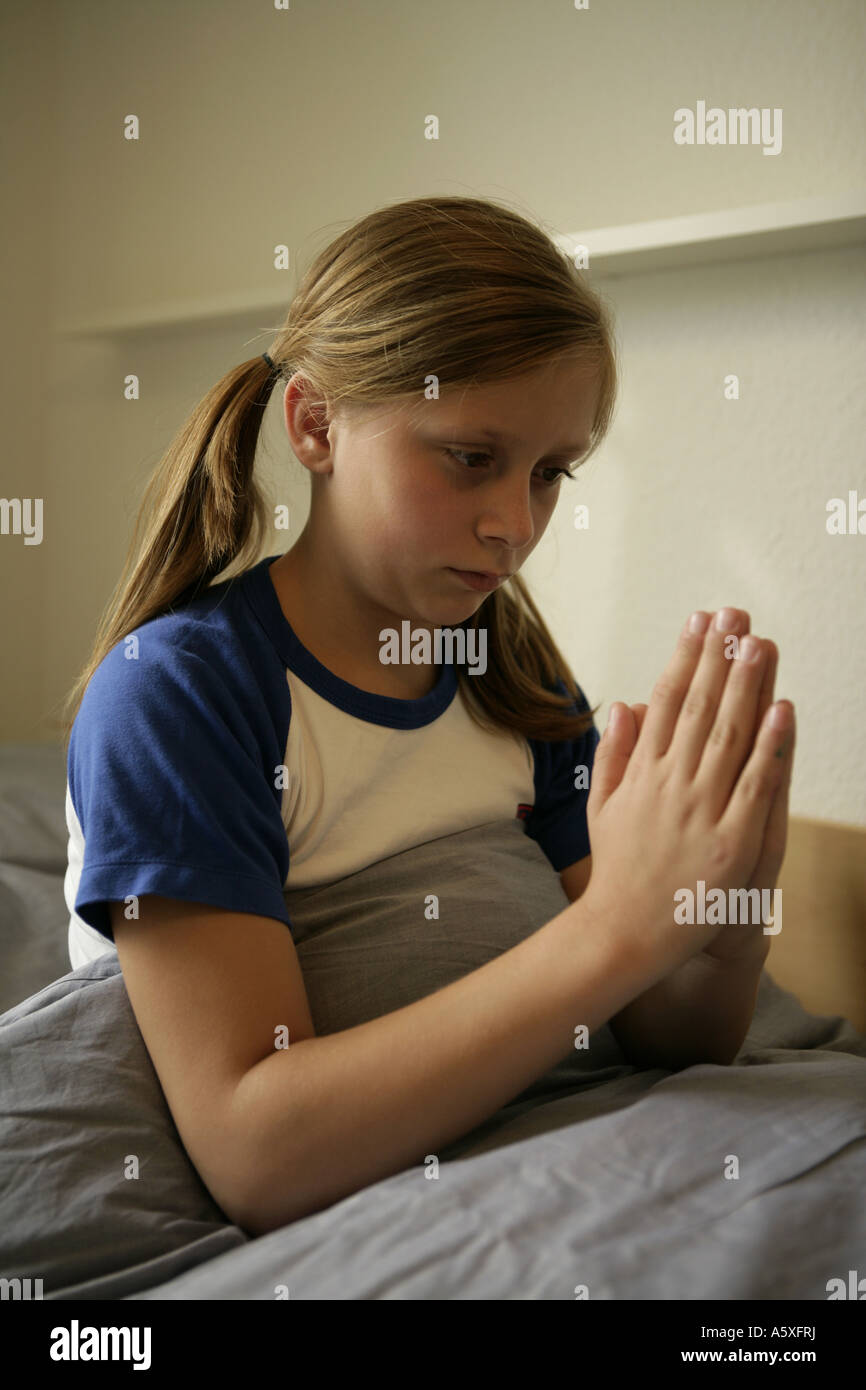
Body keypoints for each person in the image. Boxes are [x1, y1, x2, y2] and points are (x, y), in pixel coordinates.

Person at [59, 195, 795, 1237]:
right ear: (315, 424)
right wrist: (615, 930)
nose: (513, 526)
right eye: (468, 456)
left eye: (548, 473)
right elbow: (257, 1152)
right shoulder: (181, 692)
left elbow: (667, 1037)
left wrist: (717, 925)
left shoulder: (507, 668)